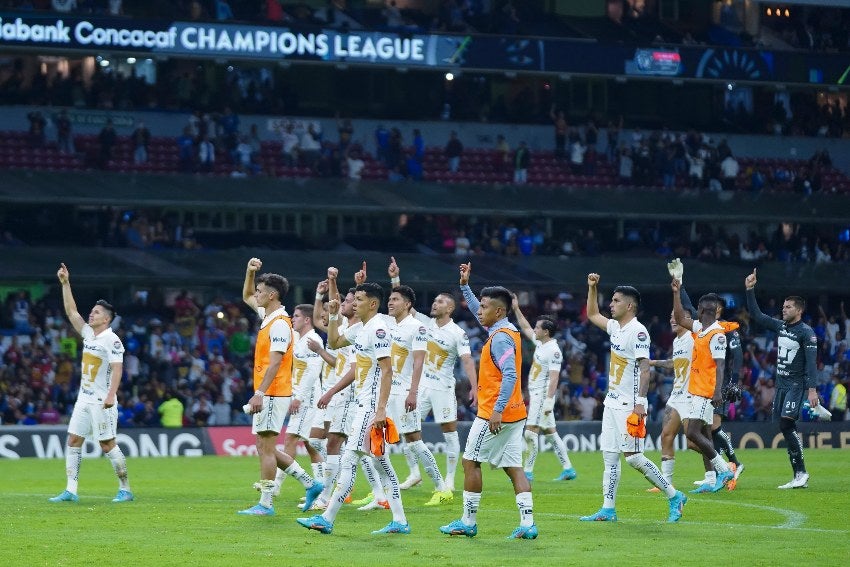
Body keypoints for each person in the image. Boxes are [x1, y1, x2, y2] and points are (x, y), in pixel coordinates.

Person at [298, 279, 410, 535]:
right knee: (382, 464)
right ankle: (400, 520)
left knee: (349, 458)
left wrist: (380, 410)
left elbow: (387, 371)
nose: (354, 303)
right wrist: (335, 315)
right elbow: (335, 342)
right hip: (363, 402)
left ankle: (326, 518)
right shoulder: (361, 328)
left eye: (358, 300)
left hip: (370, 406)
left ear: (372, 303)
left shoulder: (378, 329)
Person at [439, 262, 537, 540]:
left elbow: (510, 376)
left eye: (484, 307)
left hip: (496, 415)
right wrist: (464, 287)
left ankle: (467, 522)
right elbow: (478, 309)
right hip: (516, 413)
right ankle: (528, 524)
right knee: (513, 467)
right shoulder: (505, 331)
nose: (478, 311)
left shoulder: (500, 340)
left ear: (499, 312)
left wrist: (495, 411)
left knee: (470, 462)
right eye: (479, 306)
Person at [580, 273, 687, 523]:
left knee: (634, 458)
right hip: (612, 401)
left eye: (616, 301)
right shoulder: (617, 327)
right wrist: (592, 288)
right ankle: (608, 509)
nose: (611, 304)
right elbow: (593, 314)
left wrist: (640, 403)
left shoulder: (638, 332)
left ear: (629, 306)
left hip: (630, 404)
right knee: (609, 456)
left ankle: (674, 496)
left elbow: (645, 367)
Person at [238, 257, 323, 516]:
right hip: (272, 392)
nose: (257, 294)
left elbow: (275, 362)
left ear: (272, 295)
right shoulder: (269, 315)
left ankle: (266, 503)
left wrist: (259, 393)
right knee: (265, 447)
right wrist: (250, 272)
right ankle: (311, 483)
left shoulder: (279, 325)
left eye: (261, 291)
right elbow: (246, 296)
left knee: (265, 448)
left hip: (273, 392)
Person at [49, 263, 133, 503]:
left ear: (106, 319)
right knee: (74, 440)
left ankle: (125, 488)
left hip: (101, 400)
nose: (91, 314)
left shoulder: (112, 340)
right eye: (92, 311)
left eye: (96, 312)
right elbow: (71, 312)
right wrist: (65, 284)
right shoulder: (88, 334)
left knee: (107, 444)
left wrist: (110, 395)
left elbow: (118, 368)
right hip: (83, 398)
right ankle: (71, 491)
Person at [391, 258, 478, 492]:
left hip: (442, 388)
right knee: (407, 429)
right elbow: (402, 305)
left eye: (440, 302)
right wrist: (395, 279)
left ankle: (449, 479)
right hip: (419, 388)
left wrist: (474, 387)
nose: (435, 304)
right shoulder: (424, 323)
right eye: (435, 301)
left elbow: (467, 361)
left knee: (449, 432)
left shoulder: (458, 333)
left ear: (449, 308)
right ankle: (414, 473)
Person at [668, 259, 745, 484]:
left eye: (697, 309)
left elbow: (720, 364)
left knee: (692, 434)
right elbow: (681, 317)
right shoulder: (702, 328)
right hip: (697, 390)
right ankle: (715, 475)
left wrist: (718, 392)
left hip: (706, 392)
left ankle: (724, 469)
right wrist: (676, 290)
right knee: (703, 433)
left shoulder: (717, 334)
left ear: (702, 310)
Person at [385, 258, 453, 506]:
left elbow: (418, 362)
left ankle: (441, 486)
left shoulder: (418, 326)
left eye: (395, 300)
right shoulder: (388, 323)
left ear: (408, 305)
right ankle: (383, 492)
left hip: (405, 392)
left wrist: (413, 392)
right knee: (379, 442)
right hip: (387, 392)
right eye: (389, 299)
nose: (390, 303)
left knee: (414, 439)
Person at [744, 268, 820, 489]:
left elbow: (811, 363)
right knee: (784, 426)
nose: (783, 309)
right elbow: (757, 316)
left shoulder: (807, 333)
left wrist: (812, 389)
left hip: (796, 385)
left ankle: (801, 473)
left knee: (787, 423)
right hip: (781, 385)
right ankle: (799, 474)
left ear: (799, 310)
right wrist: (750, 290)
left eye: (788, 307)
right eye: (783, 306)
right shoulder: (781, 326)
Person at [511, 297, 576, 482]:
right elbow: (524, 327)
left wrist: (548, 400)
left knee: (530, 433)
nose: (534, 329)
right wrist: (516, 308)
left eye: (538, 328)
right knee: (551, 434)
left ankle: (527, 472)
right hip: (537, 394)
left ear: (546, 332)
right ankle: (568, 469)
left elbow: (555, 377)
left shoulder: (554, 351)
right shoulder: (541, 343)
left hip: (542, 396)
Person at [271, 304, 326, 500]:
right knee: (311, 444)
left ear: (307, 319)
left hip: (307, 399)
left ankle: (276, 485)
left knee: (291, 439)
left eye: (295, 316)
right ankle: (322, 487)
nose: (292, 319)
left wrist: (299, 398)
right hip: (300, 397)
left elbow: (313, 372)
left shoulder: (313, 340)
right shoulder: (298, 338)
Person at [646, 310, 693, 491]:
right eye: (671, 316)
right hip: (677, 394)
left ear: (687, 319)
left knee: (693, 441)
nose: (672, 319)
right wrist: (653, 362)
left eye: (676, 316)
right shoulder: (677, 340)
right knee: (666, 435)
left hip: (692, 395)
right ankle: (665, 483)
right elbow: (675, 363)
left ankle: (722, 466)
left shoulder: (693, 337)